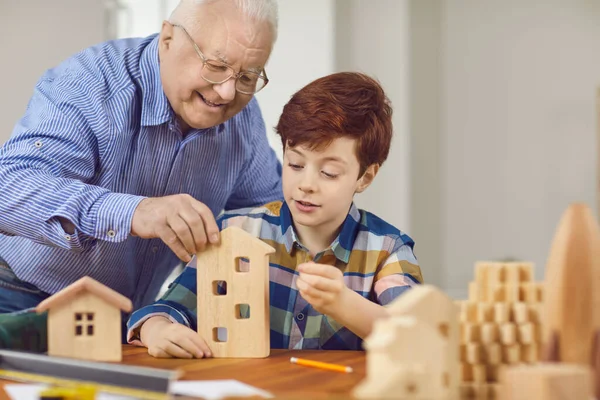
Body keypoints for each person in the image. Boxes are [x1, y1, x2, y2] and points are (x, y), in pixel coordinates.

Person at [0, 0, 282, 314]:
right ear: (167, 40)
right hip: (22, 292)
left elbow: (268, 213)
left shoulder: (243, 119)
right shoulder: (89, 84)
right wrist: (136, 211)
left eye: (247, 78)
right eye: (216, 66)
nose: (228, 92)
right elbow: (9, 190)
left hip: (133, 313)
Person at [127, 72, 424, 358]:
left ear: (365, 177)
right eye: (295, 165)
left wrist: (344, 304)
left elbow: (418, 338)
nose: (306, 185)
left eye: (329, 172)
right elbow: (169, 309)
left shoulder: (387, 249)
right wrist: (156, 329)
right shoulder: (237, 231)